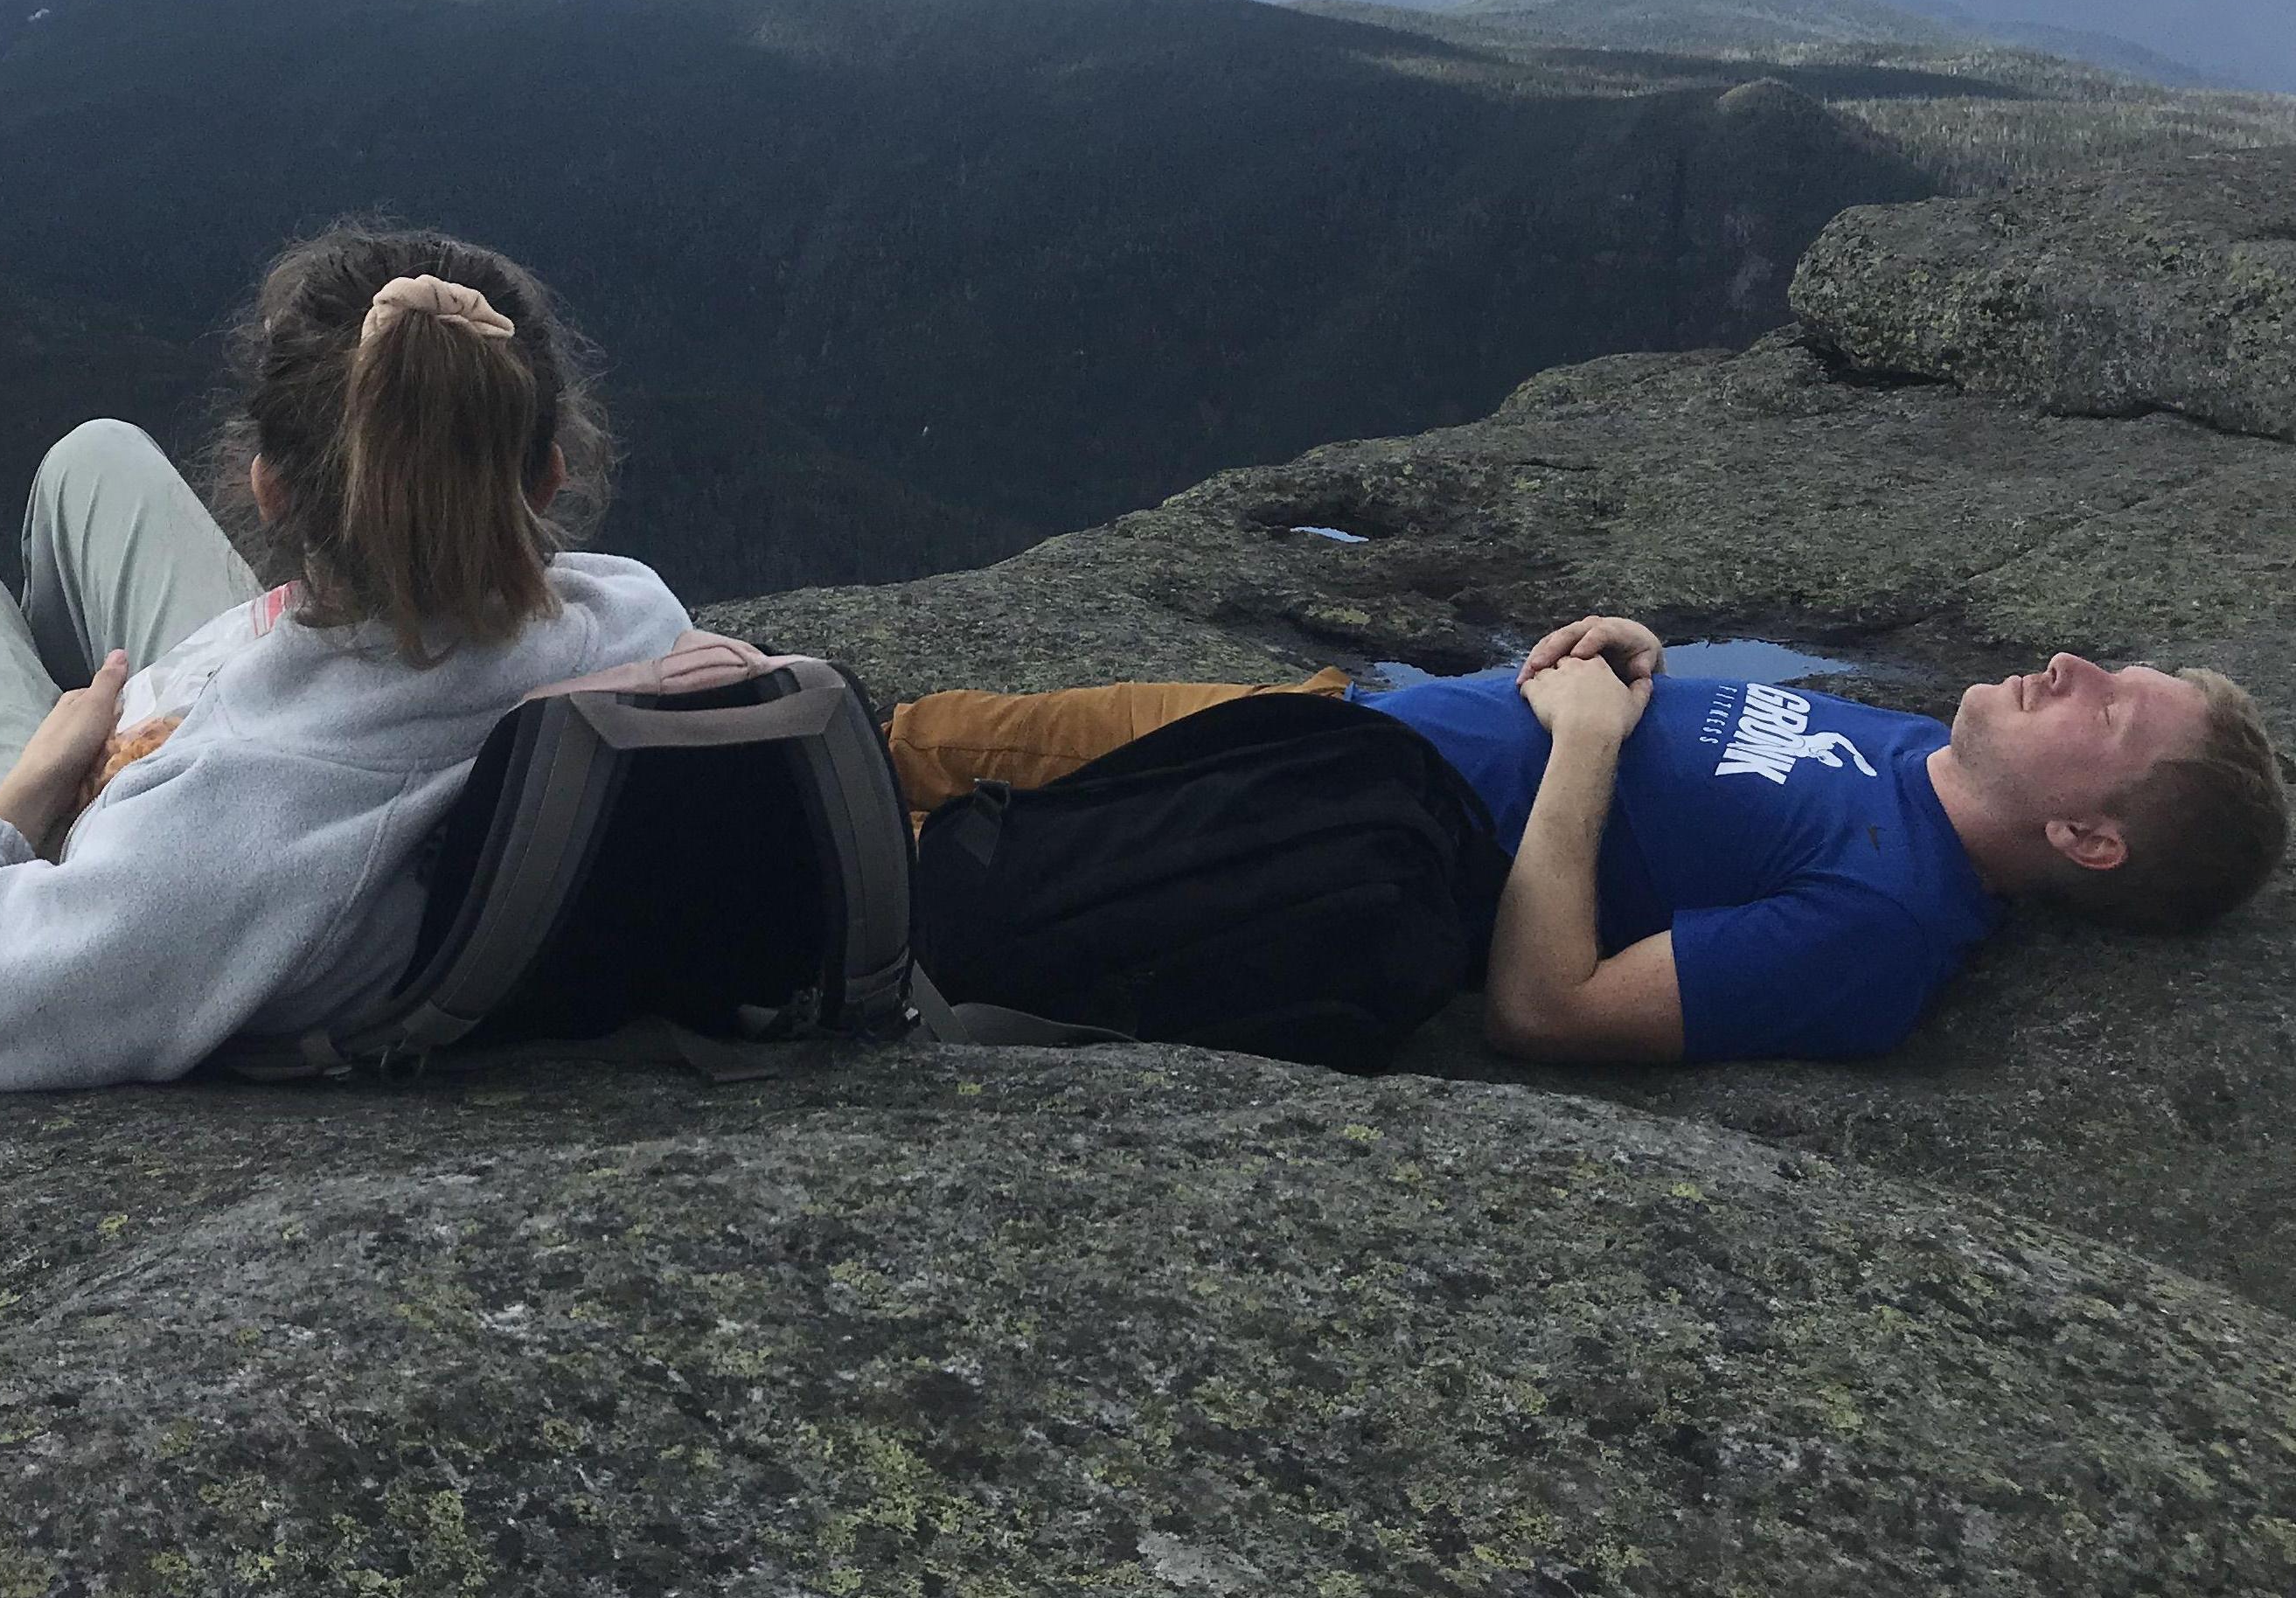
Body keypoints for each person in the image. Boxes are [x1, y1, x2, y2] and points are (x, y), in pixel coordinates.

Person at [0, 225, 706, 1108]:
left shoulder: (204, 870)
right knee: (92, 457)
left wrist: (20, 795)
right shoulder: (628, 611)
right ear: (546, 476)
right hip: (333, 703)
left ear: (269, 490)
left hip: (202, 811)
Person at [886, 615, 2288, 1065]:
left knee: (915, 786)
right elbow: (1719, 751)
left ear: (2081, 839)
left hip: (1320, 800)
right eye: (2110, 664)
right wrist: (1638, 657)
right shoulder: (1915, 747)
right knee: (921, 744)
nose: (2066, 663)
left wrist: (1583, 742)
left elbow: (1546, 1006)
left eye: (2108, 711)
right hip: (1331, 719)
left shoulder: (1885, 926)